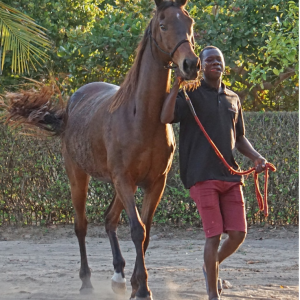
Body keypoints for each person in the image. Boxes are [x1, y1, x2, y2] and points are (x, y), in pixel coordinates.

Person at [160, 46, 267, 300]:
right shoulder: (190, 95)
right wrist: (177, 84)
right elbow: (165, 117)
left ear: (224, 65)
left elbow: (239, 138)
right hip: (201, 175)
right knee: (214, 234)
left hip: (230, 176)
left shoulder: (233, 98)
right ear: (202, 66)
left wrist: (257, 157)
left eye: (219, 60)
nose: (215, 63)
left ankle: (211, 267)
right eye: (209, 60)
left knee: (239, 234)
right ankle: (212, 295)